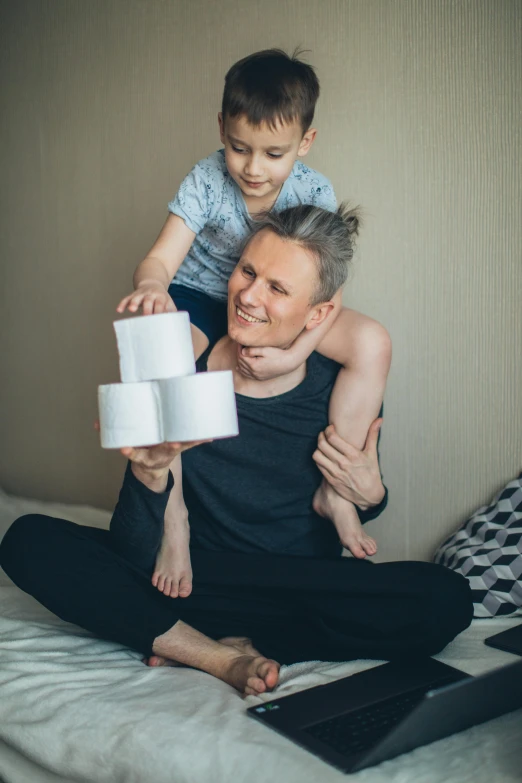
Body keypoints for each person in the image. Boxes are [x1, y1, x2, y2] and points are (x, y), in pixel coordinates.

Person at [0, 205, 473, 696]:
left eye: (277, 288)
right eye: (248, 272)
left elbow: (346, 503)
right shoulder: (184, 371)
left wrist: (372, 497)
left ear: (320, 314)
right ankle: (215, 656)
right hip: (191, 583)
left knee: (447, 599)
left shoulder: (340, 386)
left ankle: (226, 640)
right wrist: (151, 477)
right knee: (28, 540)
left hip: (299, 586)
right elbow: (133, 551)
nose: (247, 296)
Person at [115, 48, 392, 600]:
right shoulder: (205, 179)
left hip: (270, 308)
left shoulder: (313, 192)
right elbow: (160, 258)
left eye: (273, 153)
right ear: (221, 128)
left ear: (305, 144)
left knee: (371, 341)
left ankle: (336, 491)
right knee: (156, 359)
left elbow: (328, 297)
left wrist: (294, 353)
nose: (253, 168)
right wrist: (152, 286)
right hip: (199, 295)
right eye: (239, 148)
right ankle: (174, 521)